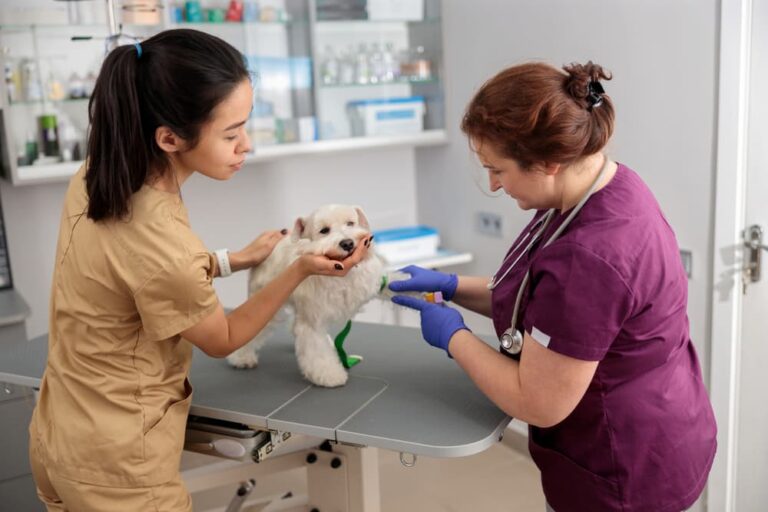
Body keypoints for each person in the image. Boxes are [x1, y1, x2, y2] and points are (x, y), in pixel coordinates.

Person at [28, 29, 372, 511]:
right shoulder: (162, 238)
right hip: (119, 466)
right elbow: (223, 336)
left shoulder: (97, 176)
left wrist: (232, 260)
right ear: (169, 137)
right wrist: (297, 270)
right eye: (231, 133)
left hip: (58, 431)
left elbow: (130, 271)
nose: (245, 145)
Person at [389, 61, 717, 512]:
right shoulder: (602, 185)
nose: (493, 183)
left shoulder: (591, 256)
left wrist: (455, 337)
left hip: (624, 468)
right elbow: (542, 301)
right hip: (667, 422)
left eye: (498, 169)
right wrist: (450, 286)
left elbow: (538, 401)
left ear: (548, 161)